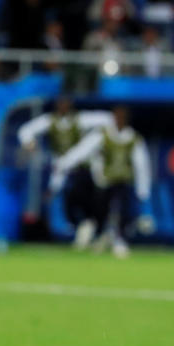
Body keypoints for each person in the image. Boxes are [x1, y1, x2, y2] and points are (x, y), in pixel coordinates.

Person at [52, 105, 154, 258]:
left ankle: (120, 240)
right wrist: (64, 163)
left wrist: (143, 189)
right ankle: (101, 235)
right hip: (104, 181)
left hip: (123, 181)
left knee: (123, 211)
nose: (119, 121)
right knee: (100, 210)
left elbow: (142, 165)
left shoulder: (133, 139)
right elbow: (82, 150)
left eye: (122, 118)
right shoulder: (102, 135)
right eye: (117, 118)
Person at [19, 97, 114, 249]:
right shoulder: (49, 121)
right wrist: (28, 141)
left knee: (83, 197)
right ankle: (79, 228)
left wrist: (106, 137)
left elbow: (107, 118)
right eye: (60, 104)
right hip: (60, 167)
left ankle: (93, 229)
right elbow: (26, 130)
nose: (63, 107)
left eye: (66, 104)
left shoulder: (80, 120)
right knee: (60, 198)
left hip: (81, 167)